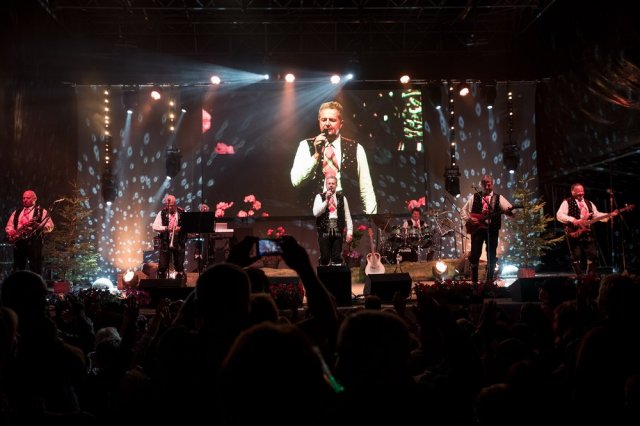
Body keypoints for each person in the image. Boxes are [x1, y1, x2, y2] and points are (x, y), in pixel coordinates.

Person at [290, 100, 377, 214]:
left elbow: (366, 188)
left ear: (341, 123)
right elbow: (296, 182)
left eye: (332, 120)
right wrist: (316, 155)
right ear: (319, 121)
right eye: (323, 119)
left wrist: (371, 218)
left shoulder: (356, 148)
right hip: (313, 214)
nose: (327, 124)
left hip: (346, 213)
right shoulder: (305, 146)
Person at [460, 175, 514, 285]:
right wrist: (469, 219)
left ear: (492, 184)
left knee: (491, 254)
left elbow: (511, 211)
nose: (487, 186)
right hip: (477, 230)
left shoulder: (498, 198)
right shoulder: (475, 196)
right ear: (481, 185)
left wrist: (510, 212)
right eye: (485, 184)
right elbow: (463, 210)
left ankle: (489, 280)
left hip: (492, 229)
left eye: (489, 184)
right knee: (475, 254)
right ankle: (474, 281)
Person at [555, 183, 617, 275]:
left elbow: (596, 215)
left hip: (587, 231)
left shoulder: (589, 203)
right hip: (574, 232)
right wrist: (573, 220)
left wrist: (609, 215)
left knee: (593, 254)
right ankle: (579, 276)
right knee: (576, 255)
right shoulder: (567, 202)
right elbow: (559, 215)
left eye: (582, 191)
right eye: (578, 192)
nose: (581, 193)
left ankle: (590, 276)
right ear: (572, 192)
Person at [4, 190, 54, 275]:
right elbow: (9, 225)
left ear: (35, 199)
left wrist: (39, 225)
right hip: (19, 243)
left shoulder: (42, 211)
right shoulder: (16, 212)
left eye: (28, 198)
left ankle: (35, 283)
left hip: (35, 243)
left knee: (35, 268)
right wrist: (11, 231)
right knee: (18, 270)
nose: (25, 200)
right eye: (23, 198)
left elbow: (50, 226)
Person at [313, 175, 353, 265]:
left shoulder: (342, 198)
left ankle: (336, 270)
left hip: (338, 227)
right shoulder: (319, 197)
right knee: (325, 257)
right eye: (329, 183)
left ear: (336, 185)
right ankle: (324, 268)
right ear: (326, 185)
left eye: (333, 183)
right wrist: (326, 201)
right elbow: (316, 213)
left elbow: (347, 216)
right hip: (324, 228)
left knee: (336, 257)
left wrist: (349, 232)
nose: (331, 185)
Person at [152, 194, 186, 281]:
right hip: (165, 241)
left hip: (179, 241)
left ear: (175, 204)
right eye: (168, 205)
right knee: (163, 265)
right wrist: (166, 228)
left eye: (172, 205)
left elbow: (189, 225)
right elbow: (155, 227)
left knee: (179, 265)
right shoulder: (162, 213)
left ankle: (179, 282)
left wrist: (180, 228)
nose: (170, 208)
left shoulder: (182, 212)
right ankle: (162, 283)